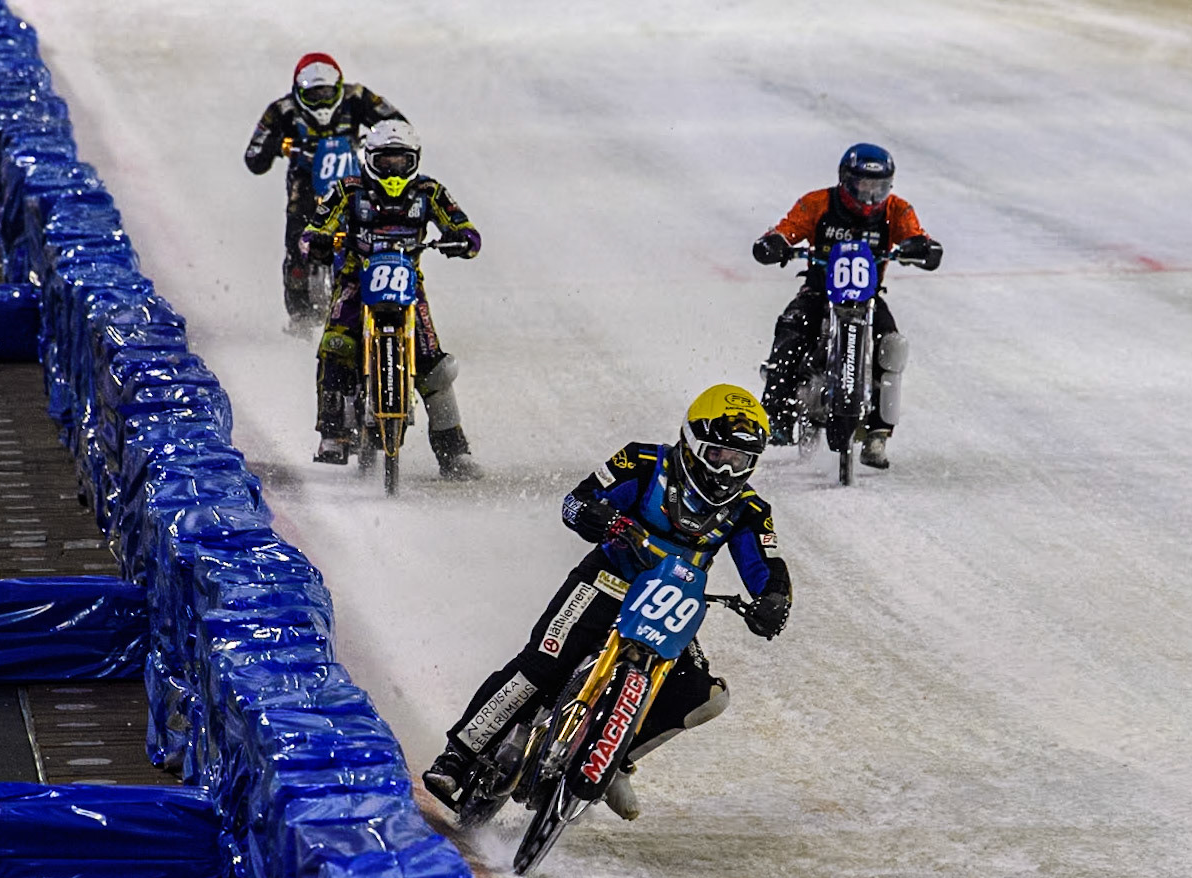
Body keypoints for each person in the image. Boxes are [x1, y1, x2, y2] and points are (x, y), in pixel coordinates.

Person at [423, 385, 792, 820]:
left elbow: (766, 564)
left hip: (670, 605)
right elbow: (574, 502)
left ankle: (615, 759)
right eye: (717, 455)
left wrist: (774, 599)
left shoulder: (750, 509)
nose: (727, 470)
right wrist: (596, 516)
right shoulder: (642, 461)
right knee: (542, 665)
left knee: (705, 696)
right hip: (606, 580)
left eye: (740, 461)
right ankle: (458, 755)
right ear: (692, 443)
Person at [299, 119, 484, 476]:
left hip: (408, 284)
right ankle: (333, 434)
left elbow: (465, 227)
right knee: (335, 347)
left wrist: (462, 240)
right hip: (355, 279)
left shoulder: (430, 192)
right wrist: (317, 241)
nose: (394, 170)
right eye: (386, 161)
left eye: (401, 161)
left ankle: (454, 453)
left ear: (415, 160)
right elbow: (314, 229)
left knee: (434, 367)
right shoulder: (348, 189)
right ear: (369, 159)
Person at [752, 143, 942, 469]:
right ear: (845, 180)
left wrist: (921, 247)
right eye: (863, 185)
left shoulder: (897, 210)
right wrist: (777, 243)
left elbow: (917, 236)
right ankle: (777, 414)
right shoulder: (817, 203)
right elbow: (786, 229)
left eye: (879, 187)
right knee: (791, 330)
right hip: (818, 292)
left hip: (867, 298)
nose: (870, 195)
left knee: (891, 345)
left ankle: (879, 432)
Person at [243, 53, 405, 327]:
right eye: (314, 95)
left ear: (338, 88)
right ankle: (300, 320)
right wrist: (280, 146)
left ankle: (380, 294)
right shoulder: (281, 110)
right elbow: (254, 158)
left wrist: (375, 141)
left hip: (355, 177)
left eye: (326, 93)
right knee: (297, 246)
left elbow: (399, 126)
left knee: (379, 232)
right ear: (299, 92)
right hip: (305, 183)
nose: (321, 101)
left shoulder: (357, 97)